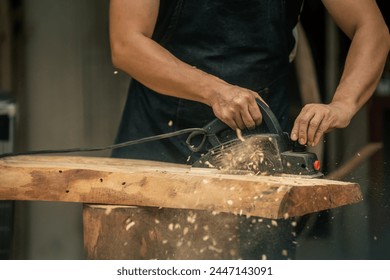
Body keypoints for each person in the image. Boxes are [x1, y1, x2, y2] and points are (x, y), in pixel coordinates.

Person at [109, 0, 389, 259]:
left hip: (261, 137)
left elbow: (371, 28)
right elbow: (127, 43)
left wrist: (343, 103)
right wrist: (214, 90)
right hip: (160, 131)